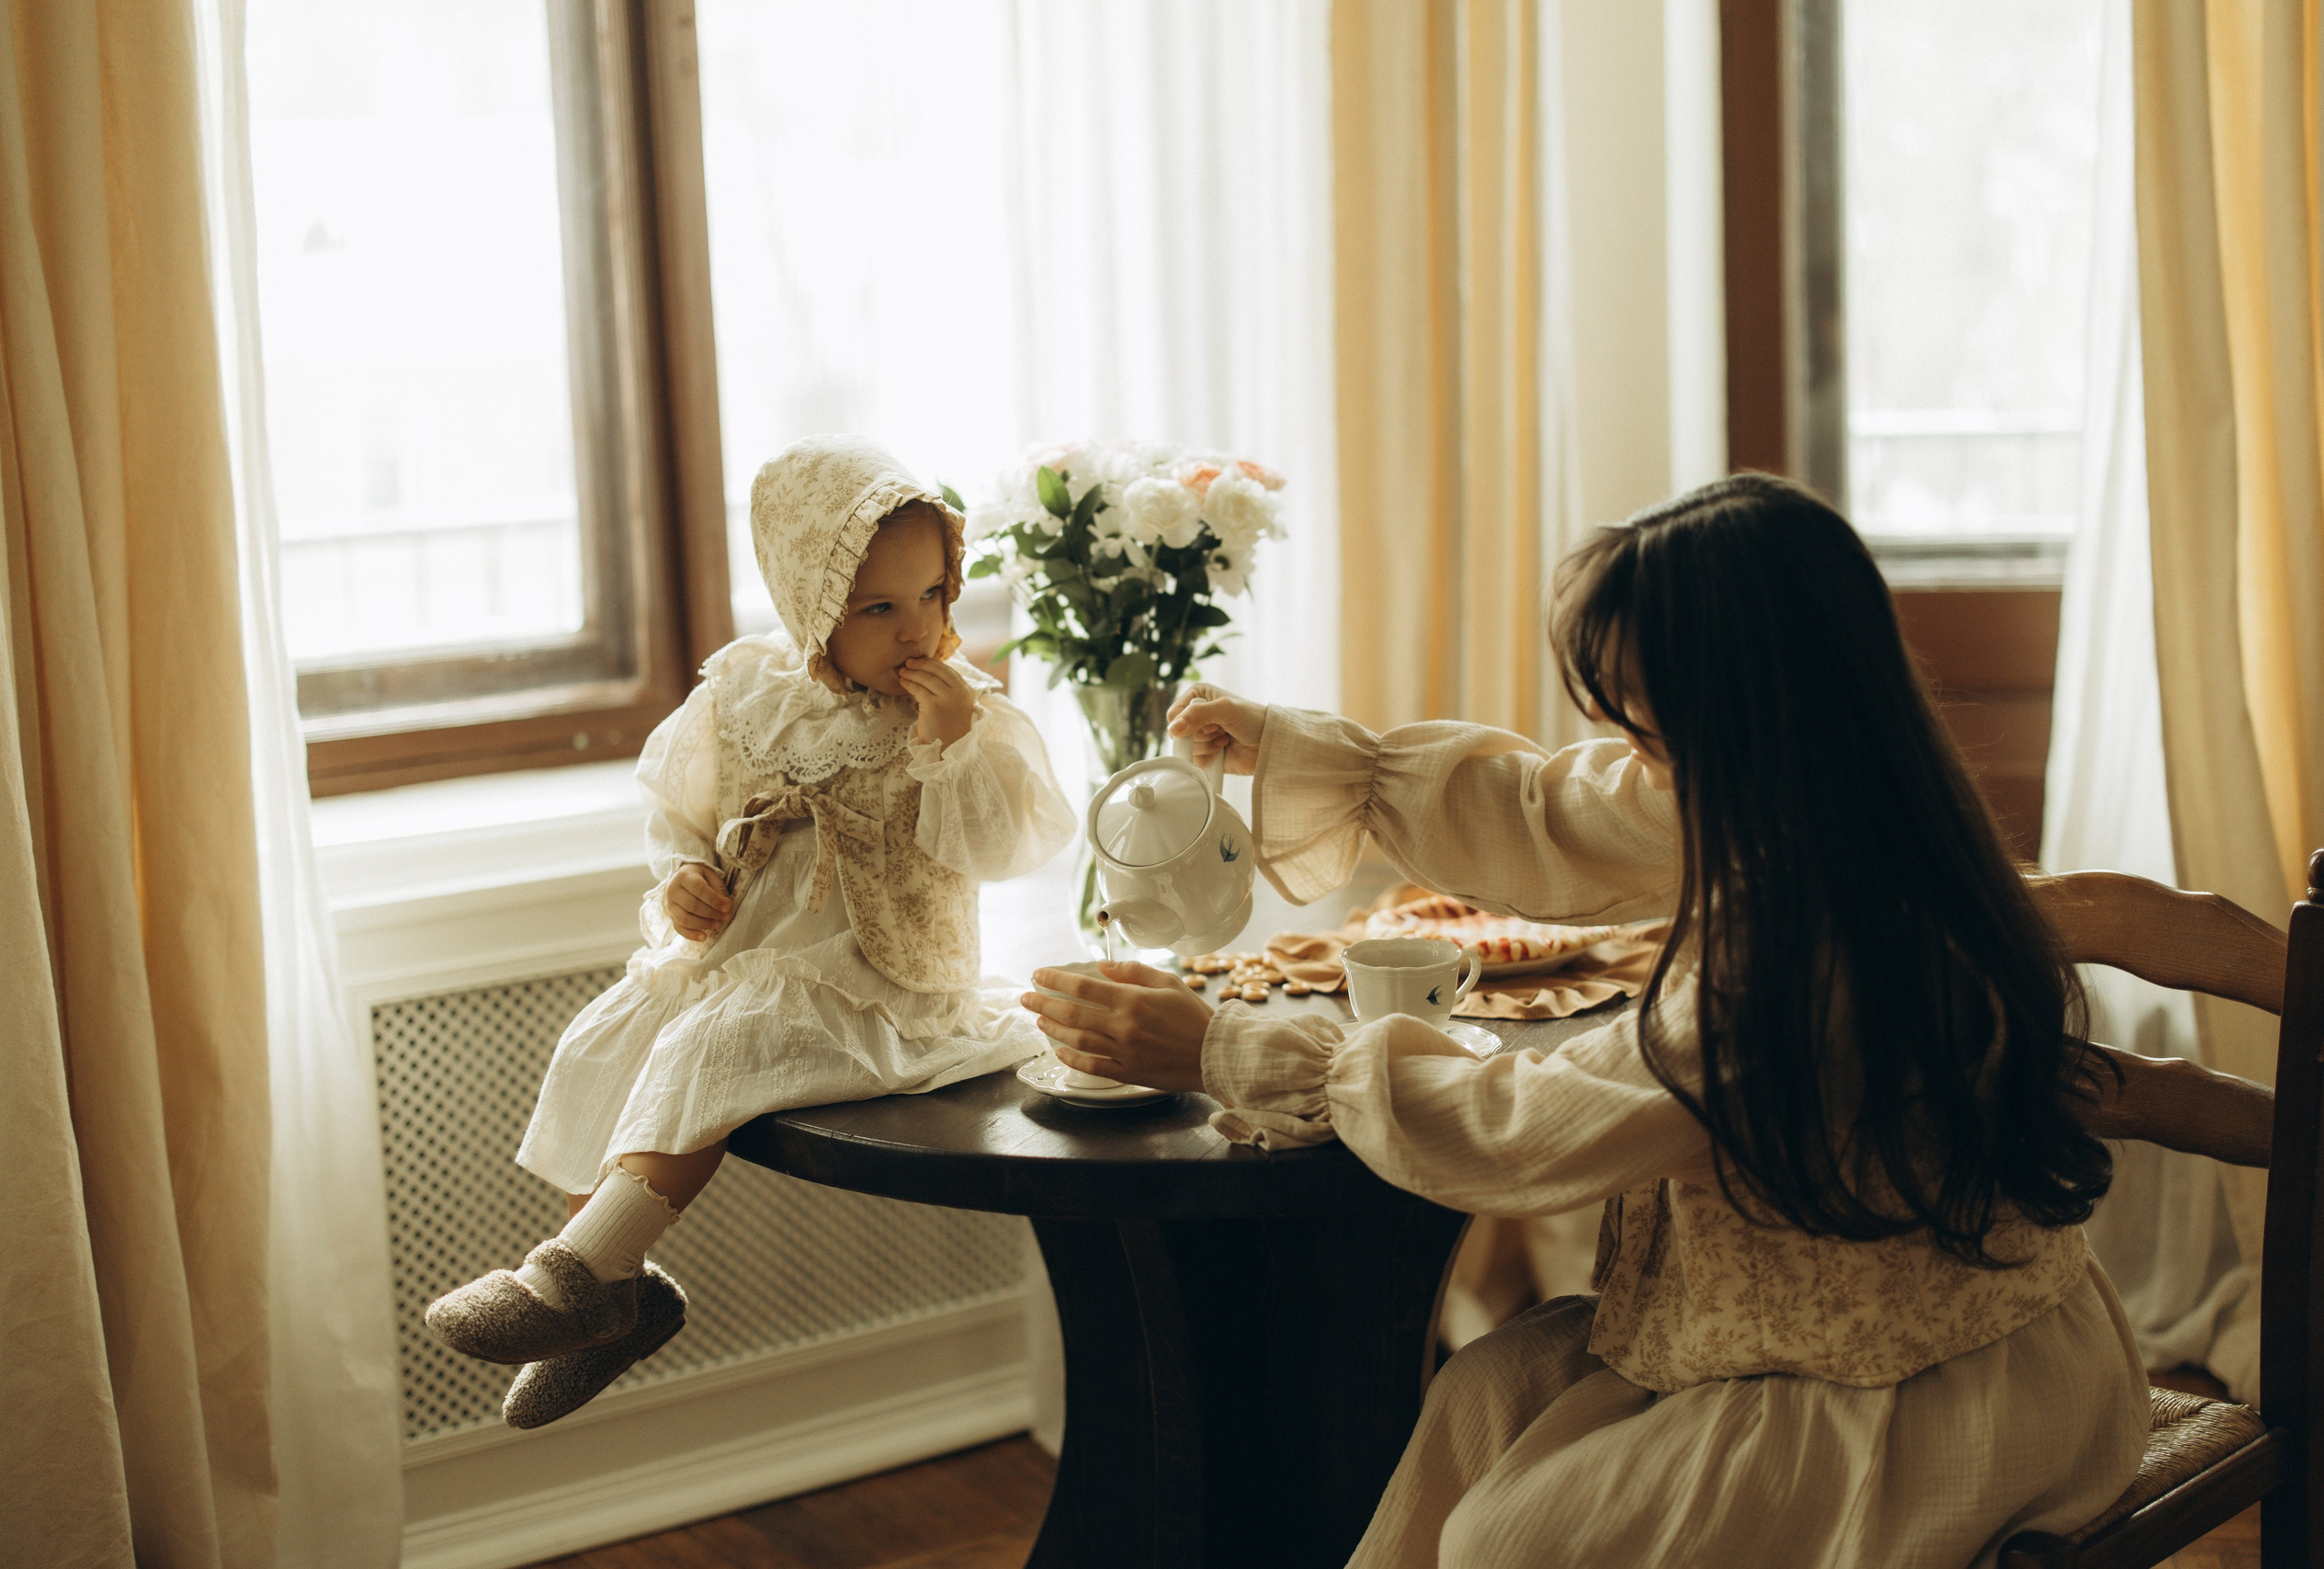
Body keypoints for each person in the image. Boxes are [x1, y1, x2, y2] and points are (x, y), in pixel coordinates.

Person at [1022, 473, 2149, 1567]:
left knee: (1504, 1543)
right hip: (1810, 1326)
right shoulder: (1819, 791)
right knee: (1478, 1395)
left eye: (1650, 729)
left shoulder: (1805, 946)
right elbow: (1554, 810)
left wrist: (1222, 1047)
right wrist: (1312, 757)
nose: (1635, 754)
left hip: (1925, 1388)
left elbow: (1529, 1124)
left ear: (1739, 714)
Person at [427, 436, 1075, 1427]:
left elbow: (1004, 844)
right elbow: (679, 813)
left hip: (882, 978)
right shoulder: (747, 695)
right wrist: (683, 878)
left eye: (933, 594)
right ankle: (611, 1295)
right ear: (810, 606)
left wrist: (950, 750)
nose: (918, 628)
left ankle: (577, 1277)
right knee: (610, 1042)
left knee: (719, 1041)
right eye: (878, 608)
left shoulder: (963, 715)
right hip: (745, 956)